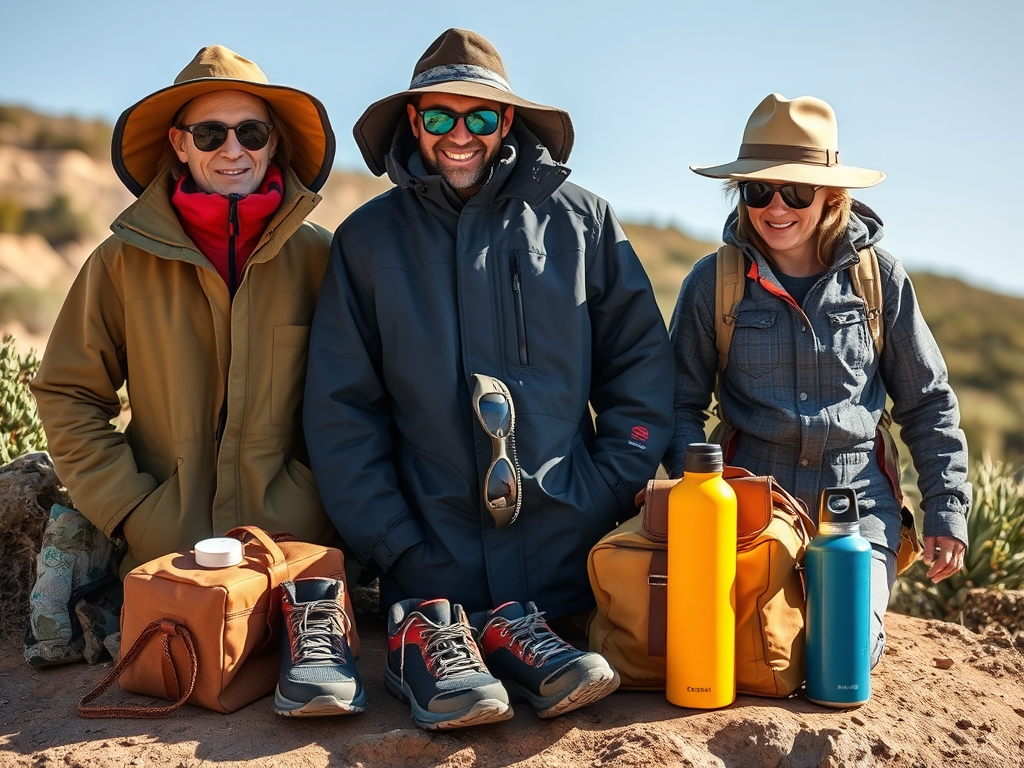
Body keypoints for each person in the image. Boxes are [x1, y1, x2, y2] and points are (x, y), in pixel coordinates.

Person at [304, 28, 673, 728]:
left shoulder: (583, 223)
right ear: (415, 122)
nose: (459, 135)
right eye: (439, 116)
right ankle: (429, 656)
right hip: (432, 578)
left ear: (507, 121)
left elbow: (639, 371)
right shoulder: (367, 240)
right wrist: (397, 544)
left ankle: (527, 645)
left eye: (479, 116)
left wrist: (600, 493)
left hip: (573, 573)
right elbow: (341, 411)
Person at [664, 93, 971, 668]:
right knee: (756, 654)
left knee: (842, 659)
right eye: (758, 190)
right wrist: (704, 502)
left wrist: (947, 512)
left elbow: (929, 405)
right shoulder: (713, 283)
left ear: (832, 195)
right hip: (750, 518)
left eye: (796, 192)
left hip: (859, 514)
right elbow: (679, 406)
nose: (775, 207)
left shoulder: (881, 282)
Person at [31, 45, 339, 577]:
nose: (232, 150)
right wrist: (129, 510)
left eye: (251, 132)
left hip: (295, 556)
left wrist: (311, 500)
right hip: (164, 560)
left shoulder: (324, 258)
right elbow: (68, 393)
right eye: (209, 134)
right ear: (179, 143)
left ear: (273, 142)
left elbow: (360, 400)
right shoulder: (120, 262)